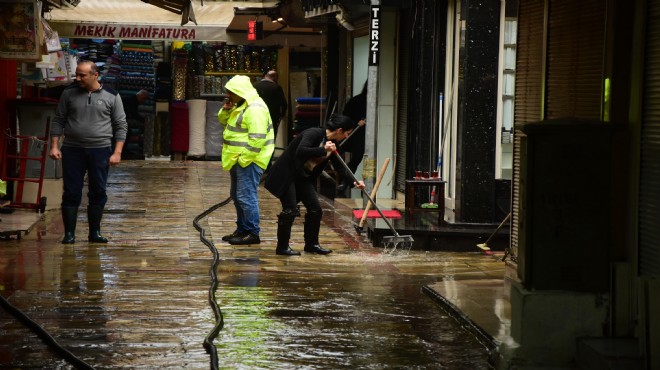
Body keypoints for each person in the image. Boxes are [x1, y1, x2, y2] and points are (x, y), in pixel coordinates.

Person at [49, 60, 128, 244]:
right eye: (77, 74)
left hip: (100, 150)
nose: (78, 78)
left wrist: (117, 152)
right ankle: (69, 234)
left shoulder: (112, 95)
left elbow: (121, 125)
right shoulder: (68, 93)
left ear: (95, 75)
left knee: (98, 190)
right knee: (71, 191)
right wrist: (54, 146)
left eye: (82, 75)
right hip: (72, 149)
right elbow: (58, 120)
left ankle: (95, 233)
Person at [264, 114, 366, 256]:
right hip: (287, 174)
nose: (346, 137)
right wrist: (324, 149)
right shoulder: (314, 133)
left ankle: (312, 244)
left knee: (315, 209)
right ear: (339, 130)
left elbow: (340, 167)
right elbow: (301, 150)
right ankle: (282, 247)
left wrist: (353, 181)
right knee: (290, 209)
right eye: (347, 133)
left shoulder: (334, 144)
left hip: (303, 177)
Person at [217, 75, 275, 245]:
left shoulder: (255, 108)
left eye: (231, 93)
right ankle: (242, 229)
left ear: (239, 91)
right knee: (237, 195)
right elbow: (224, 122)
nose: (228, 96)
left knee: (246, 196)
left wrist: (244, 159)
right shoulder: (241, 105)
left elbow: (257, 138)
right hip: (238, 159)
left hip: (248, 160)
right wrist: (226, 109)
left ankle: (252, 232)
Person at [337, 81, 367, 194]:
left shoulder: (375, 103)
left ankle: (346, 181)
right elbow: (346, 116)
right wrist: (356, 123)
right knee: (337, 154)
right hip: (352, 134)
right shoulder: (356, 101)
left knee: (356, 160)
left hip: (363, 138)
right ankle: (345, 180)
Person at [254, 70, 288, 141]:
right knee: (271, 137)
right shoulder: (276, 87)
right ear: (275, 77)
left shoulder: (255, 86)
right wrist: (282, 115)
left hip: (256, 115)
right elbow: (283, 103)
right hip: (272, 116)